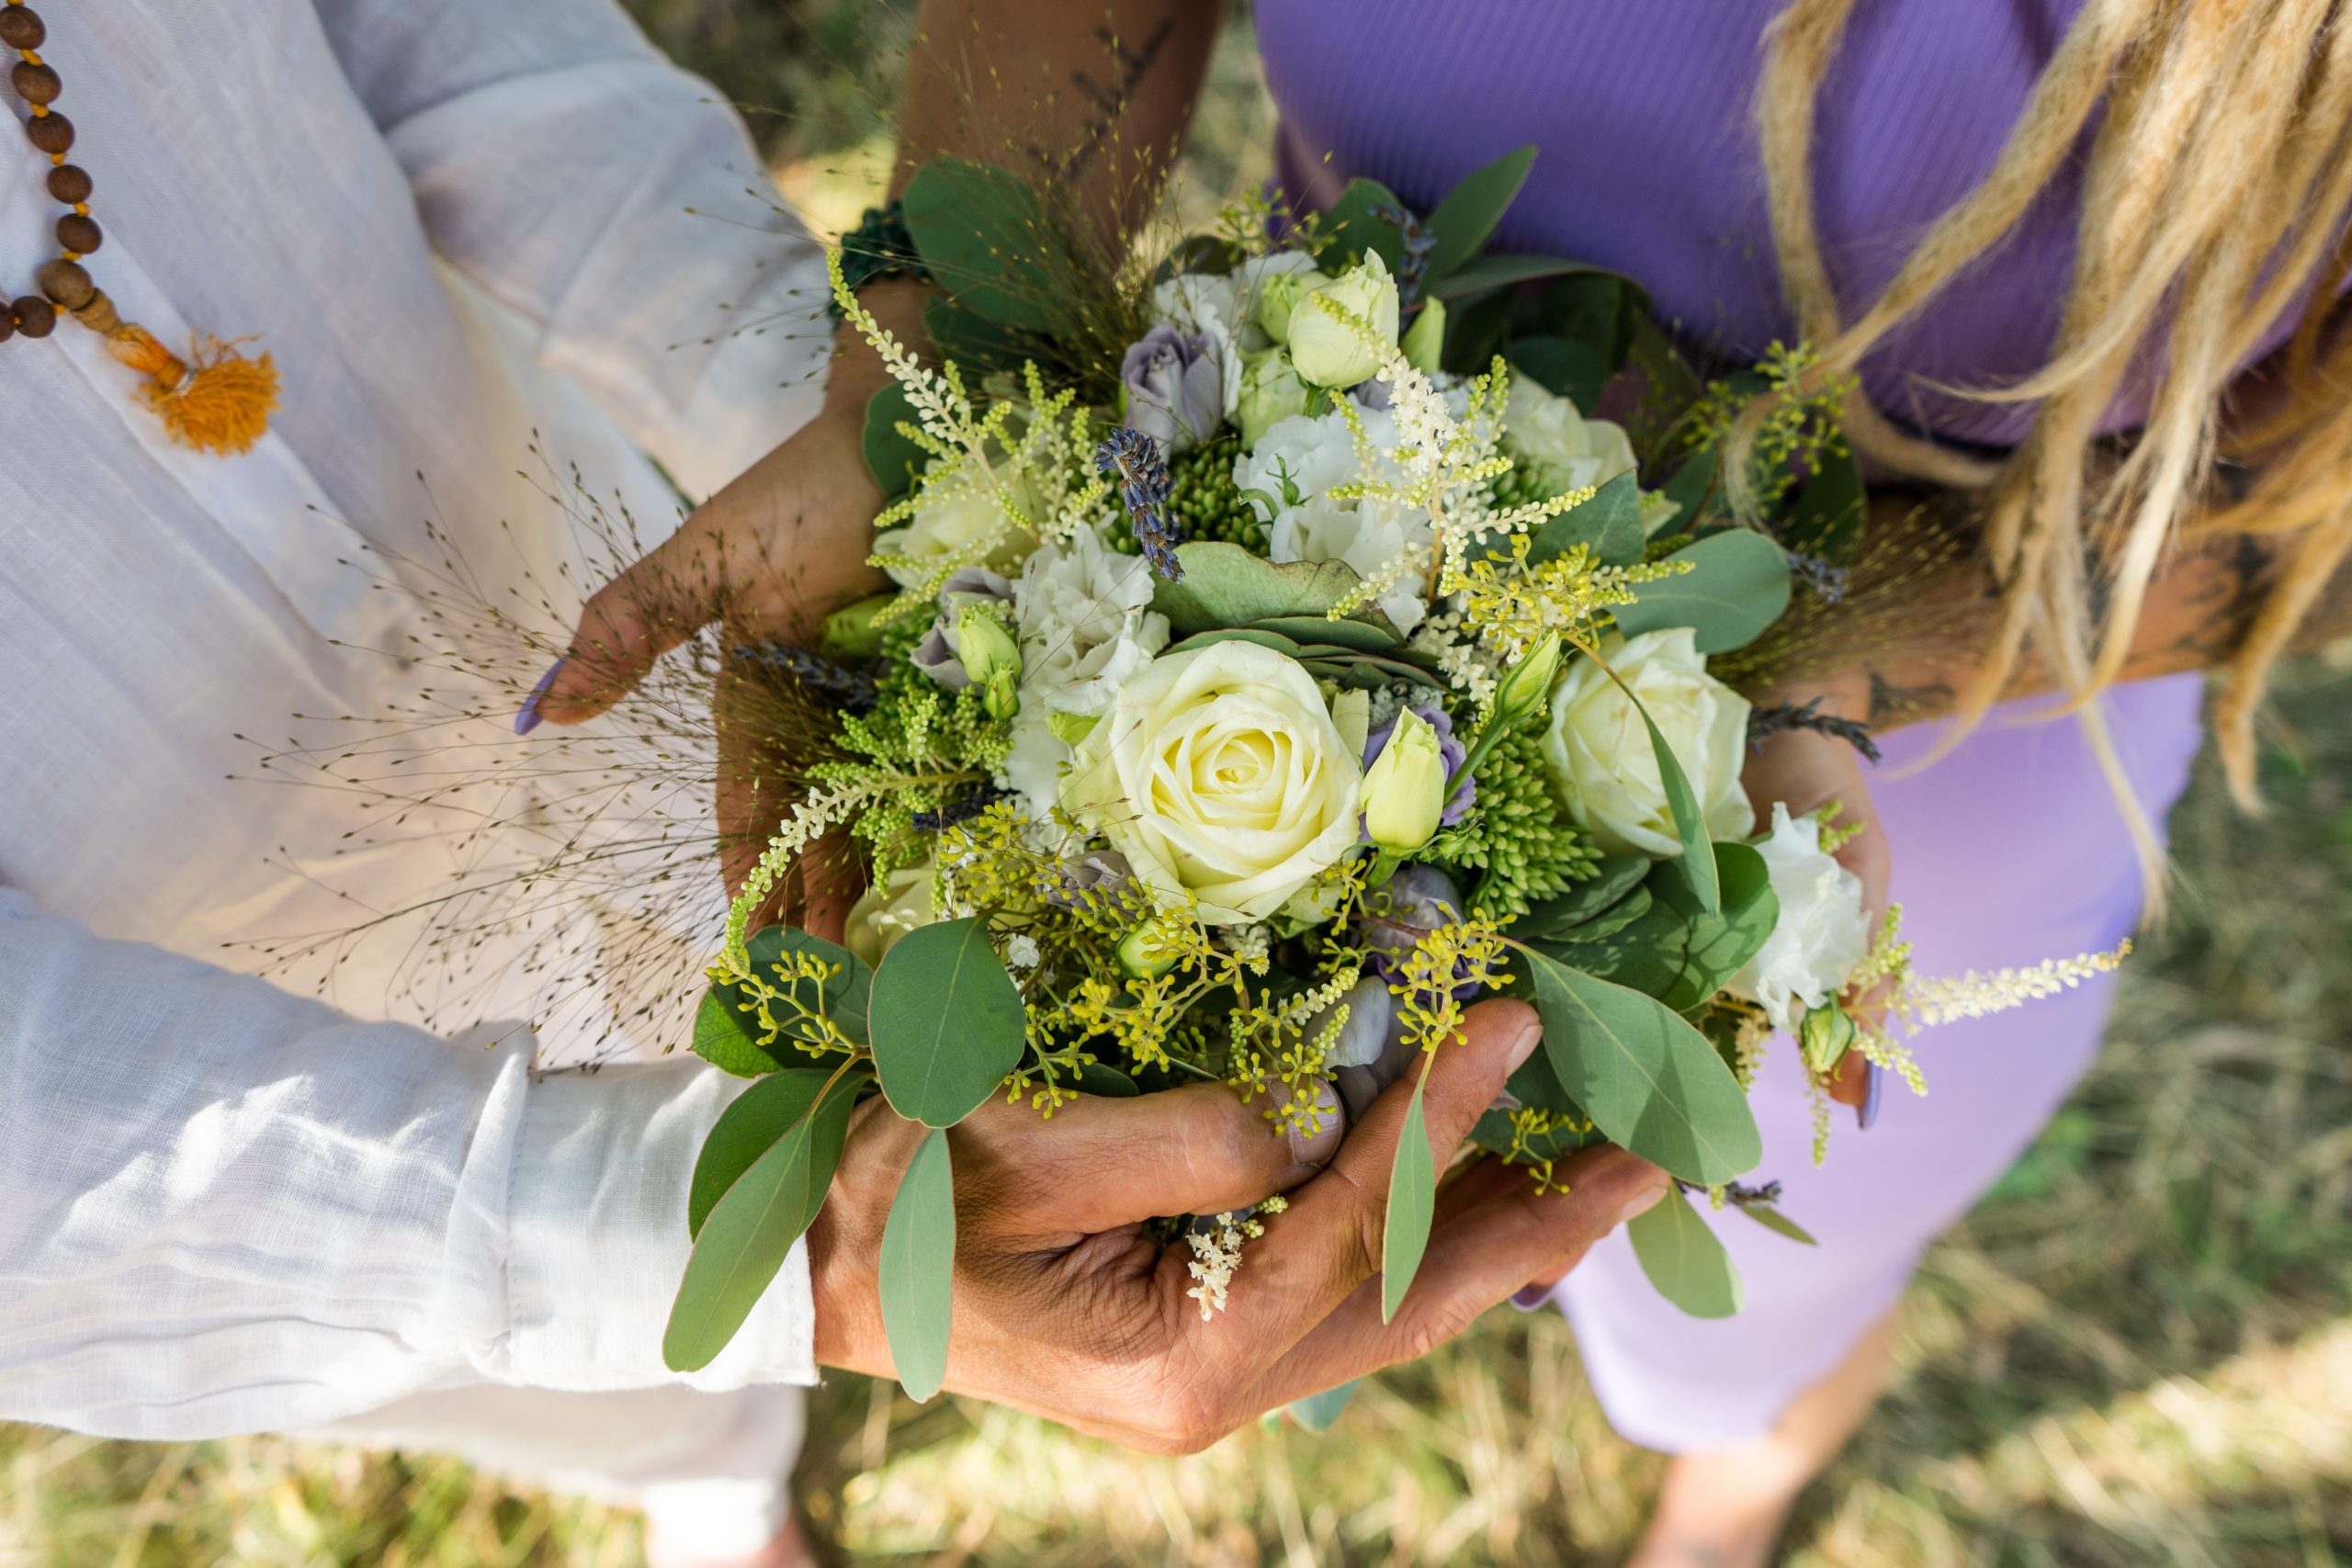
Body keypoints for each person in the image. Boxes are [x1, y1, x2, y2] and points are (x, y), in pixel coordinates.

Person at [559, 2, 2352, 1564]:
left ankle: (1718, 1486)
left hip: (1924, 731)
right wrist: (933, 369)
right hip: (1298, 466)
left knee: (1750, 1288)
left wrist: (1792, 652)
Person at [0, 9, 1663, 1568]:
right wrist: (732, 1255)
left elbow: (424, 35)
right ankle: (712, 1493)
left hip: (603, 598)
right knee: (479, 1317)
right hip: (167, 1043)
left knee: (814, 999)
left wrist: (908, 453)